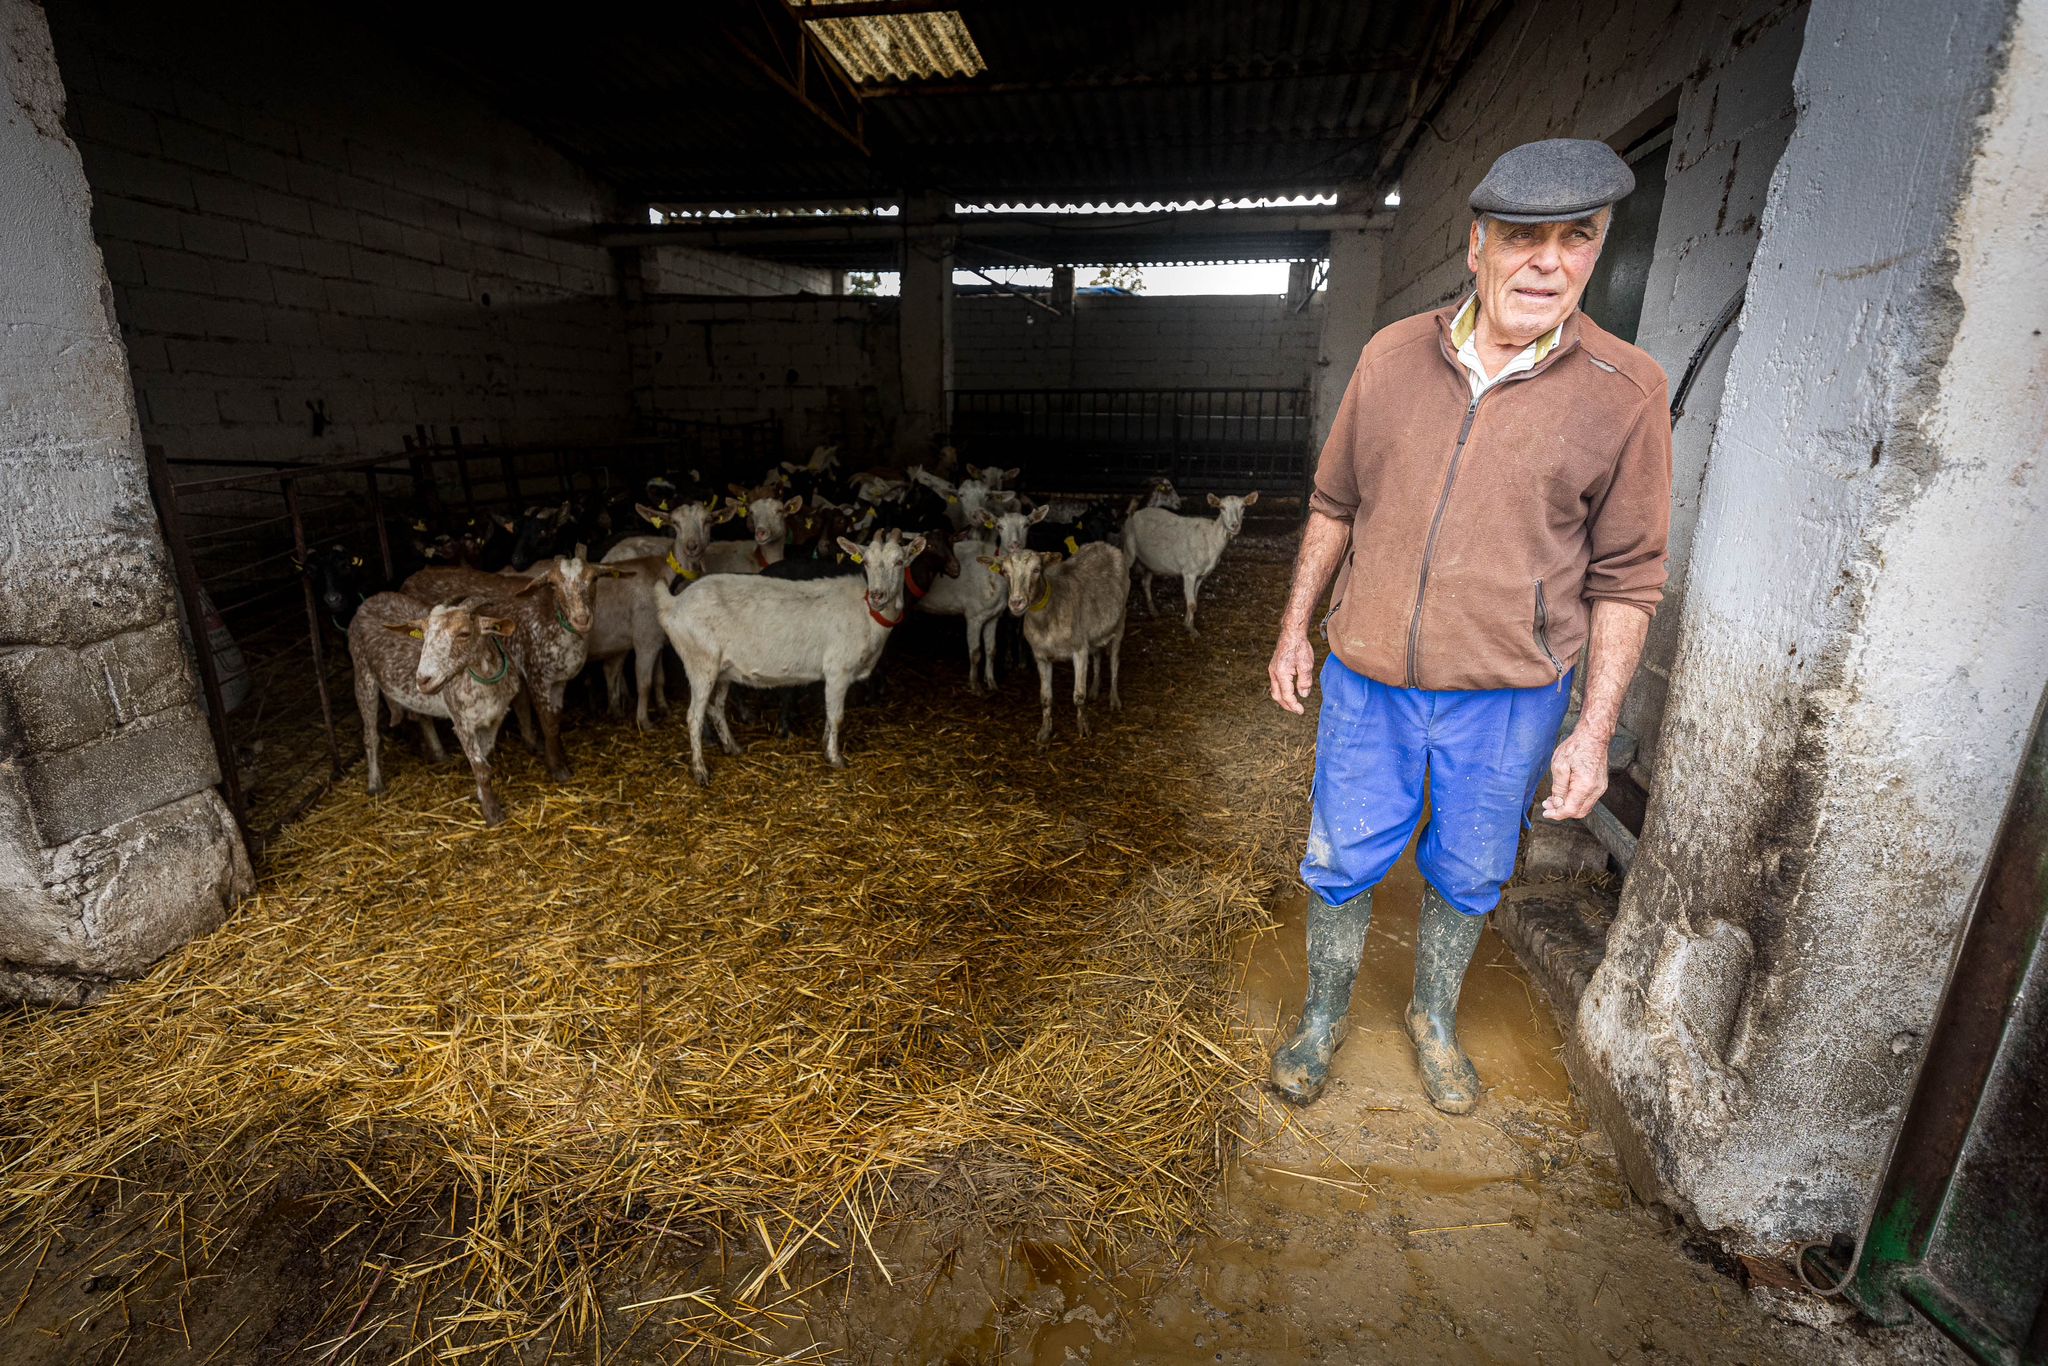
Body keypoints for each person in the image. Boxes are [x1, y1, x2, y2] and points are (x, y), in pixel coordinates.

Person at [1266, 138, 1673, 1114]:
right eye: (1521, 236)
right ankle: (1323, 1014)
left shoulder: (1626, 392)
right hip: (1367, 677)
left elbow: (1625, 579)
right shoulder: (1387, 358)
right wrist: (1293, 630)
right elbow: (1330, 506)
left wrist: (1589, 729)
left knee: (1471, 867)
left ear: (1596, 248)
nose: (1546, 261)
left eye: (1574, 237)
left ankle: (1430, 1017)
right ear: (1475, 245)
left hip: (1508, 698)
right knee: (1339, 856)